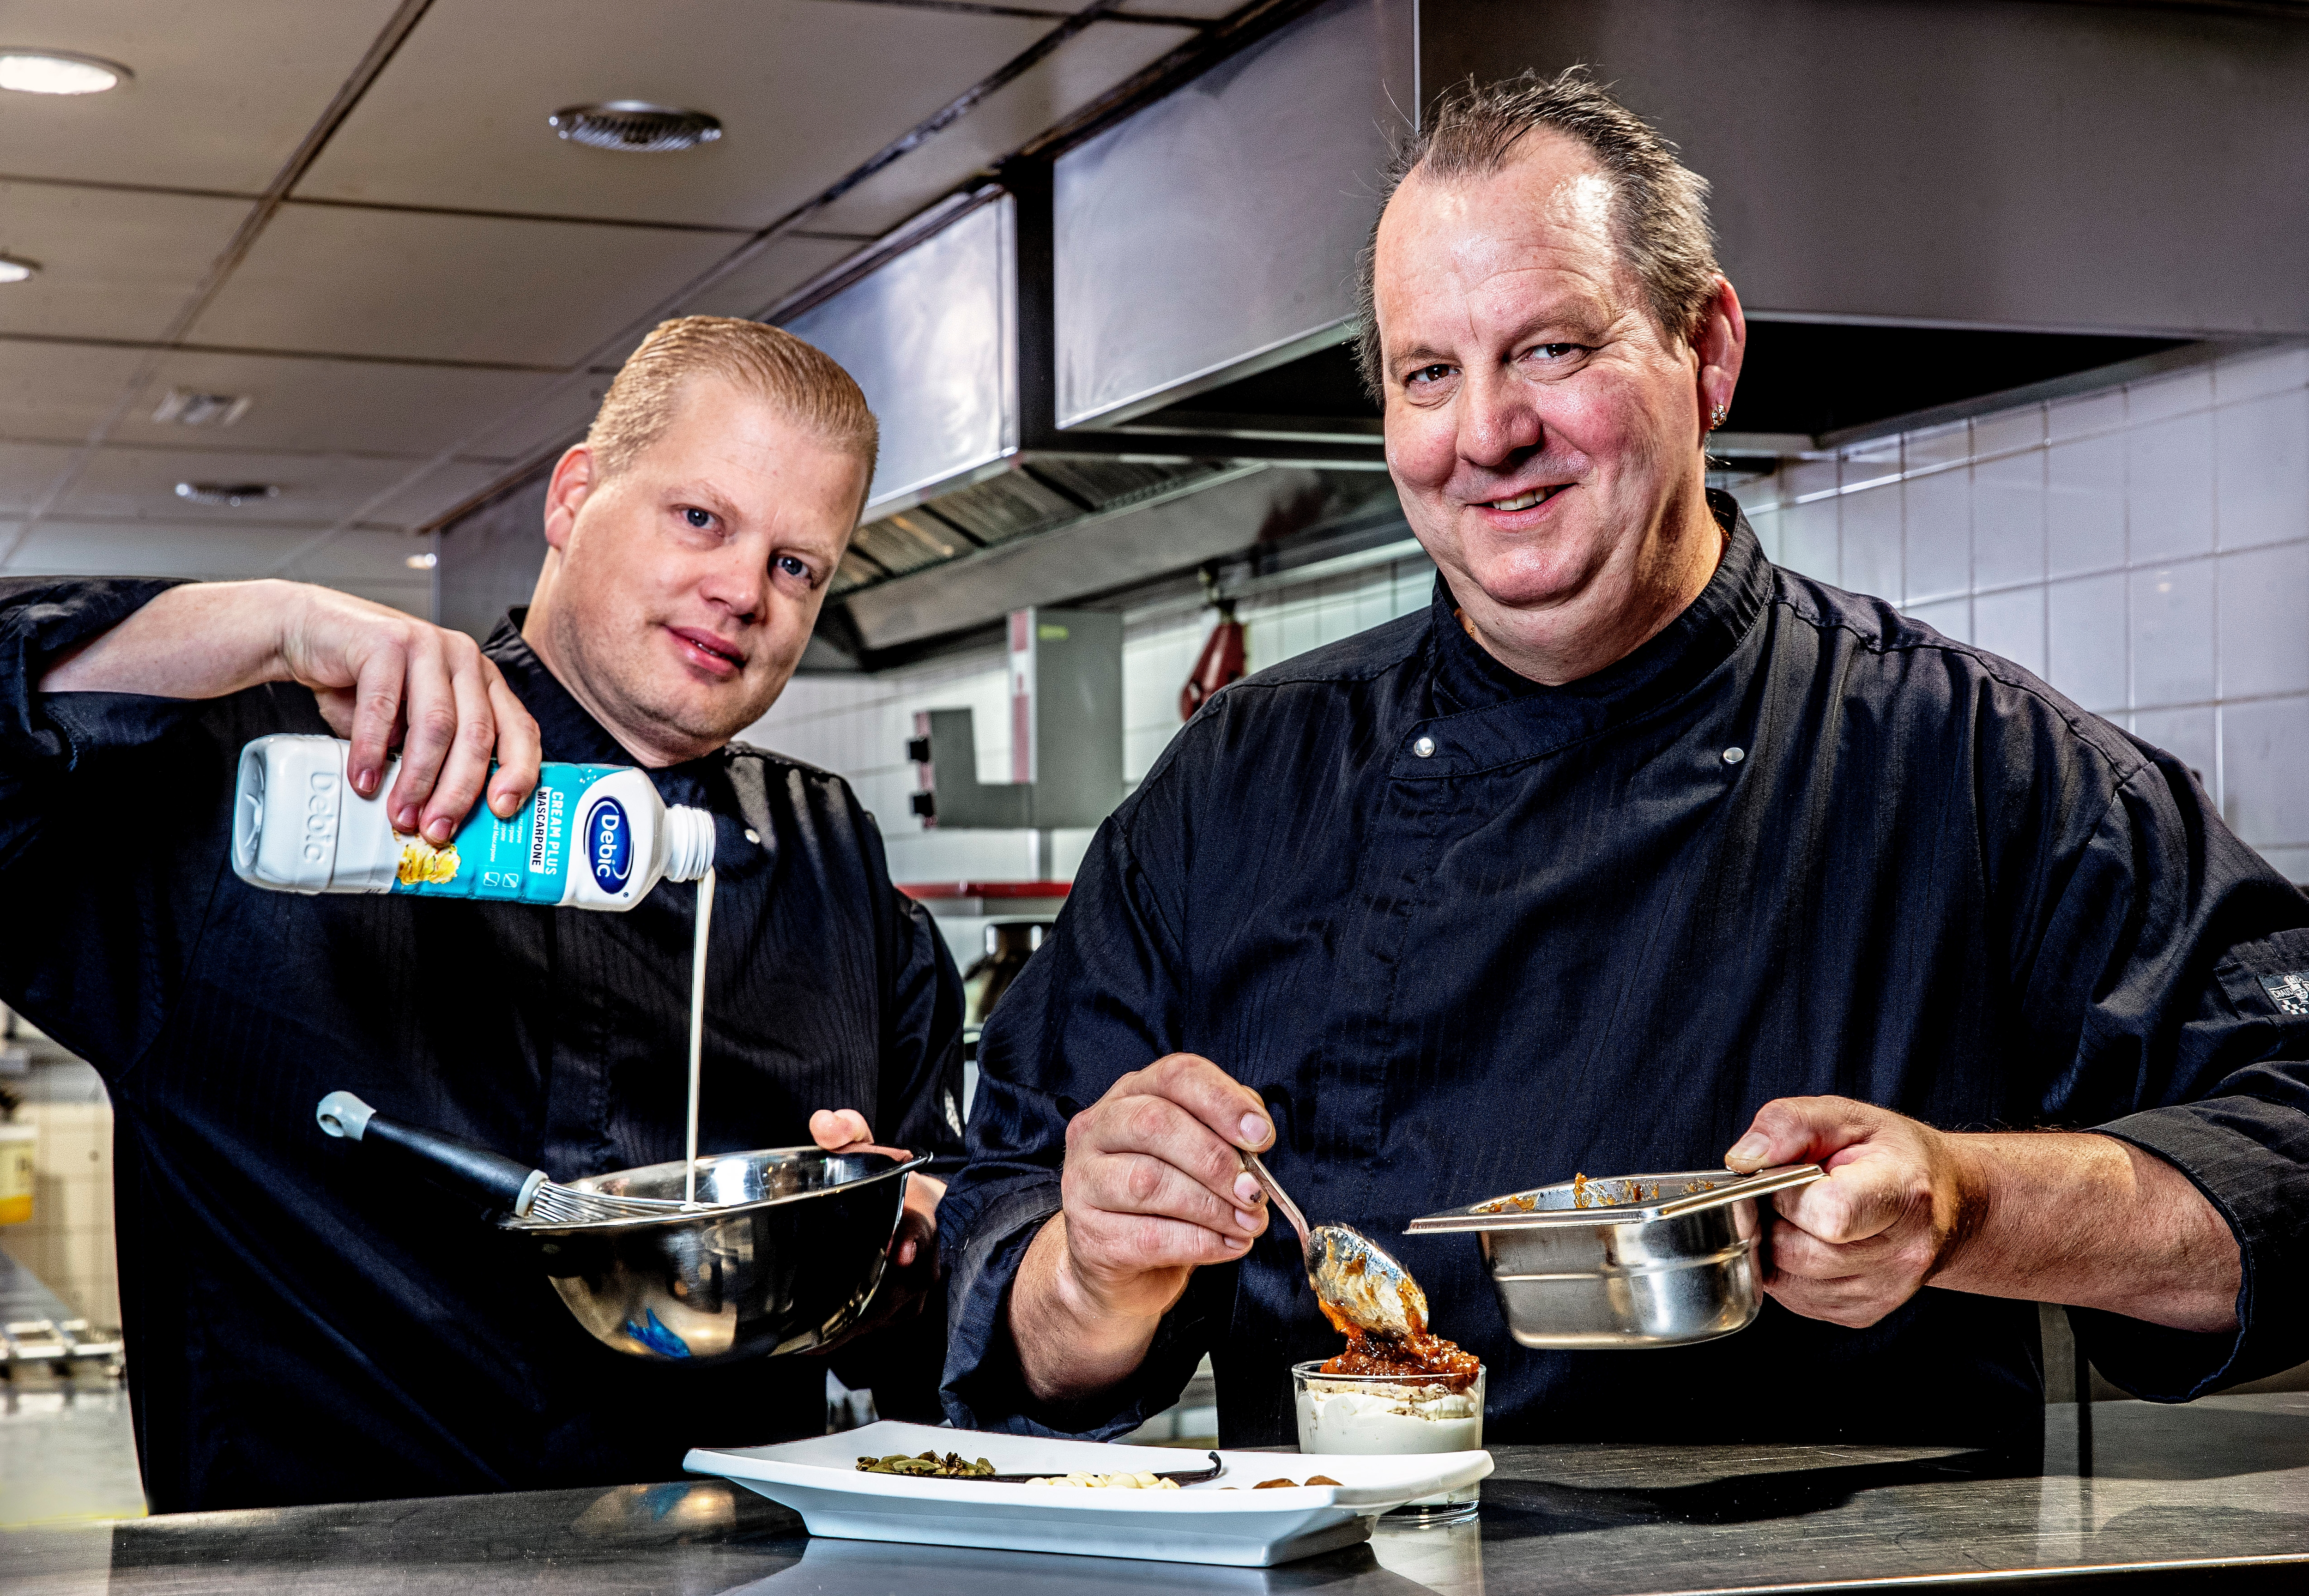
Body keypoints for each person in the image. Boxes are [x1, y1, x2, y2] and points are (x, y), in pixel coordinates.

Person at [937, 73, 2309, 1450]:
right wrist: (1094, 1271)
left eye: (1550, 350)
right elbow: (1000, 1282)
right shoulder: (1230, 793)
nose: (1486, 436)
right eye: (1430, 374)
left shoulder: (1970, 763)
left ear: (1706, 351)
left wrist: (1968, 1203)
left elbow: (2292, 1145)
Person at [0, 317, 965, 1511]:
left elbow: (928, 1318)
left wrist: (896, 1256)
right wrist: (264, 625)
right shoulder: (281, 784)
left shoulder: (833, 870)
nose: (741, 592)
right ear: (574, 497)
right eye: (701, 519)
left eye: (796, 565)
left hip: (737, 1577)